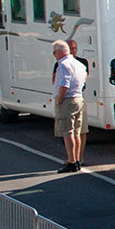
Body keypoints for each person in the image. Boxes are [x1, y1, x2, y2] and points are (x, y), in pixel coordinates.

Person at [51, 41, 87, 172]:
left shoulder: (63, 65)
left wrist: (59, 99)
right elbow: (83, 81)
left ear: (60, 52)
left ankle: (71, 161)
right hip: (78, 98)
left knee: (68, 132)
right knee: (77, 132)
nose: (54, 55)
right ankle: (77, 160)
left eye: (54, 52)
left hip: (68, 100)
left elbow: (64, 84)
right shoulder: (79, 65)